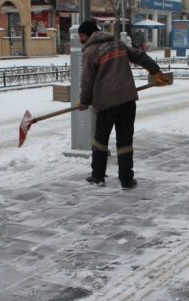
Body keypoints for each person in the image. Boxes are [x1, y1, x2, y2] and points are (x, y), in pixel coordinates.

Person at [77, 20, 169, 189]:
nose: (80, 40)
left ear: (89, 35)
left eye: (81, 36)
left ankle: (97, 175)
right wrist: (156, 71)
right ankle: (126, 179)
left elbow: (87, 81)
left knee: (100, 140)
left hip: (106, 103)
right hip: (127, 100)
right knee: (125, 141)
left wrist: (84, 101)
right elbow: (139, 55)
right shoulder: (117, 43)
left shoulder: (90, 51)